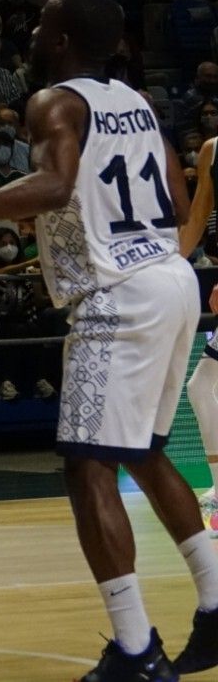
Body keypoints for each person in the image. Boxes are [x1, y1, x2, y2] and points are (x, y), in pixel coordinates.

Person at [0, 0, 218, 678]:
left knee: (87, 465)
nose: (32, 28)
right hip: (172, 278)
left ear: (61, 39)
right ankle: (215, 603)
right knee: (146, 452)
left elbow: (57, 184)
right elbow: (179, 204)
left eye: (42, 21)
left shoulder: (53, 102)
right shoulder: (138, 103)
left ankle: (134, 649)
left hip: (119, 293)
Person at [181, 135, 218, 534]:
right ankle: (217, 493)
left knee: (202, 383)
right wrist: (169, 268)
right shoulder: (212, 150)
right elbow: (196, 218)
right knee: (201, 384)